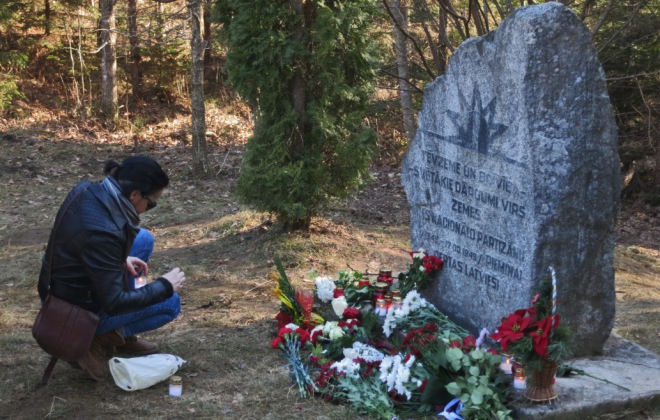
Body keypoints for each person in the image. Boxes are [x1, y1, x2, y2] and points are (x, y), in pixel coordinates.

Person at [38, 155, 186, 381]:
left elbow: (81, 243)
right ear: (135, 194)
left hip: (56, 286)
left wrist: (118, 258)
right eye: (151, 203)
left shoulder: (87, 190)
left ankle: (116, 334)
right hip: (73, 312)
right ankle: (98, 338)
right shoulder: (103, 234)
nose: (149, 208)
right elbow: (115, 302)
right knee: (171, 304)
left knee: (143, 239)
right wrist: (164, 285)